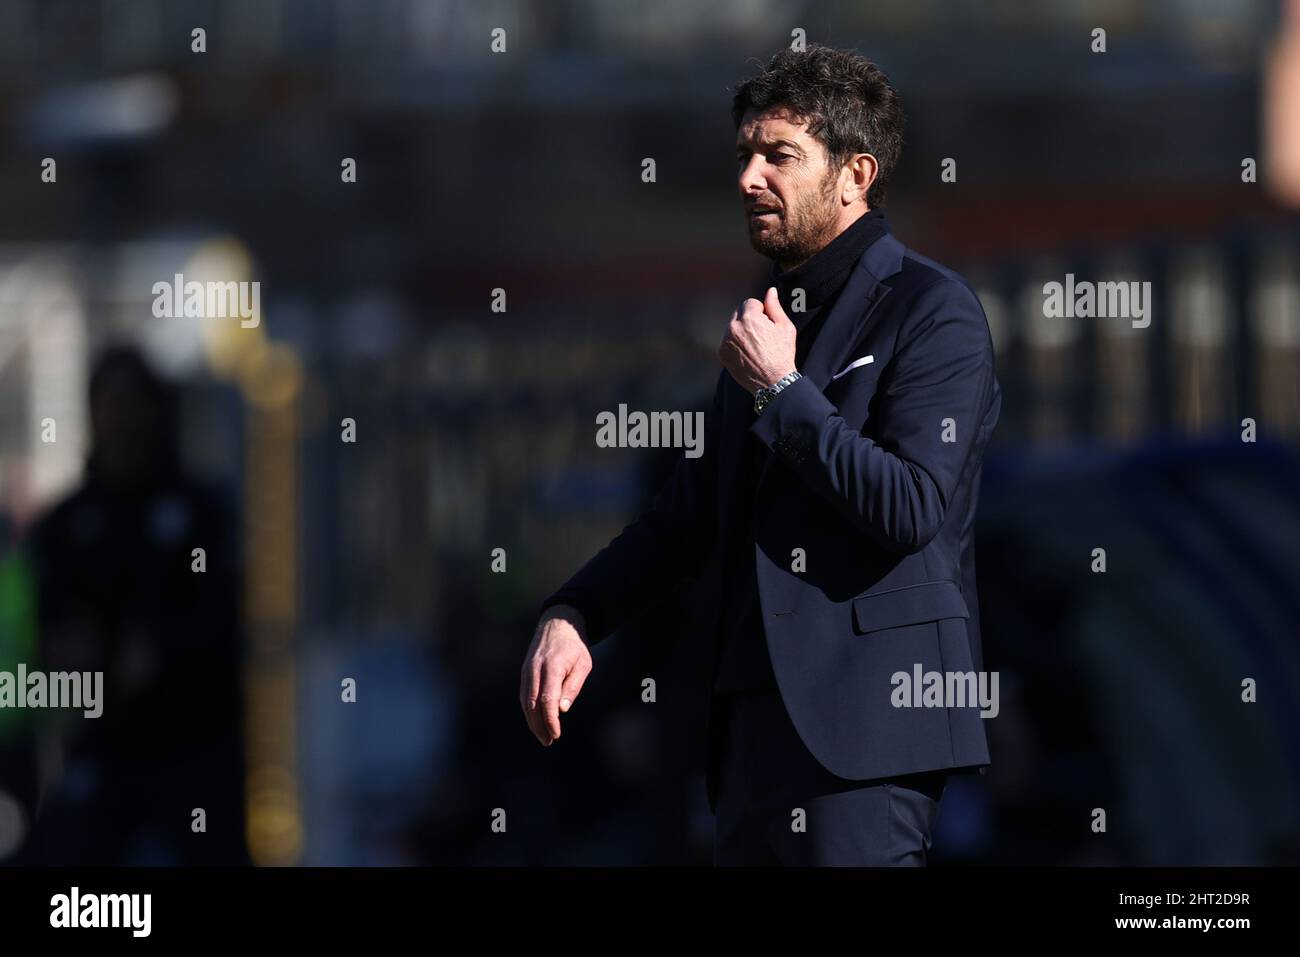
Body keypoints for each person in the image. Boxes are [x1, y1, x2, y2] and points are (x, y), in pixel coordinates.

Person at [521, 45, 1002, 866]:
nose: (750, 176)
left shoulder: (932, 310)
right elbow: (686, 514)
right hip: (746, 738)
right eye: (745, 153)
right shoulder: (769, 318)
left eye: (779, 155)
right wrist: (576, 614)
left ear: (855, 173)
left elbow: (912, 505)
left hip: (865, 739)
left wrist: (783, 392)